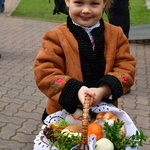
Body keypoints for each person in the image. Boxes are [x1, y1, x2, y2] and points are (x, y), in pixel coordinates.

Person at [34, 0, 136, 123]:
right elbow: (45, 71)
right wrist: (76, 90)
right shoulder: (55, 36)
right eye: (79, 2)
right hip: (62, 113)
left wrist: (104, 90)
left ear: (104, 3)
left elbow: (126, 67)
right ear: (67, 2)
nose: (86, 10)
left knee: (102, 141)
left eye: (94, 4)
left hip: (103, 115)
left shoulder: (116, 35)